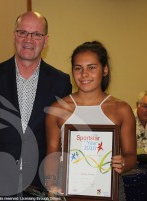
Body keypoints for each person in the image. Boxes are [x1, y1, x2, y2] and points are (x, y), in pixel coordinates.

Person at [0, 11, 72, 200]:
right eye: (23, 32)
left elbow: (64, 141)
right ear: (15, 35)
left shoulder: (60, 82)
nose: (28, 39)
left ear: (45, 40)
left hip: (40, 185)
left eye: (36, 34)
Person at [44, 41, 137, 198]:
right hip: (67, 188)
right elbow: (52, 155)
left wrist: (123, 163)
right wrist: (50, 183)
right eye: (78, 68)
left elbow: (131, 156)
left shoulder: (122, 110)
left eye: (91, 68)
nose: (84, 74)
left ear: (105, 69)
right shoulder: (57, 110)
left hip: (109, 189)